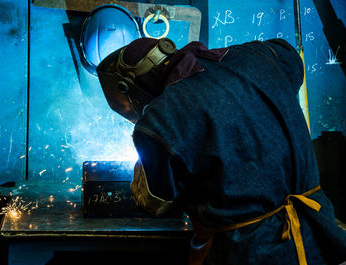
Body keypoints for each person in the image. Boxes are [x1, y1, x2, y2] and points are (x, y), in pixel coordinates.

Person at [96, 37, 346, 265]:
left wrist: (145, 168)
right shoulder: (261, 54)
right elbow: (291, 61)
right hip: (320, 236)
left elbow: (159, 199)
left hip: (252, 253)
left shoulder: (160, 118)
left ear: (131, 88)